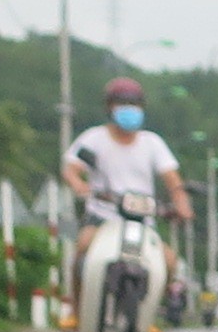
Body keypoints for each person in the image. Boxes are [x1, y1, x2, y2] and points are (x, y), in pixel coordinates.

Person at [61, 77, 193, 311]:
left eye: (134, 105)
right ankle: (76, 310)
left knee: (169, 262)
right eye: (122, 104)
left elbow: (173, 181)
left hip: (142, 222)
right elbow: (71, 168)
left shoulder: (152, 143)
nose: (129, 110)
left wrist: (182, 204)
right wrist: (78, 184)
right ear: (110, 108)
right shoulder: (94, 138)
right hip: (102, 217)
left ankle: (150, 312)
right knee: (82, 247)